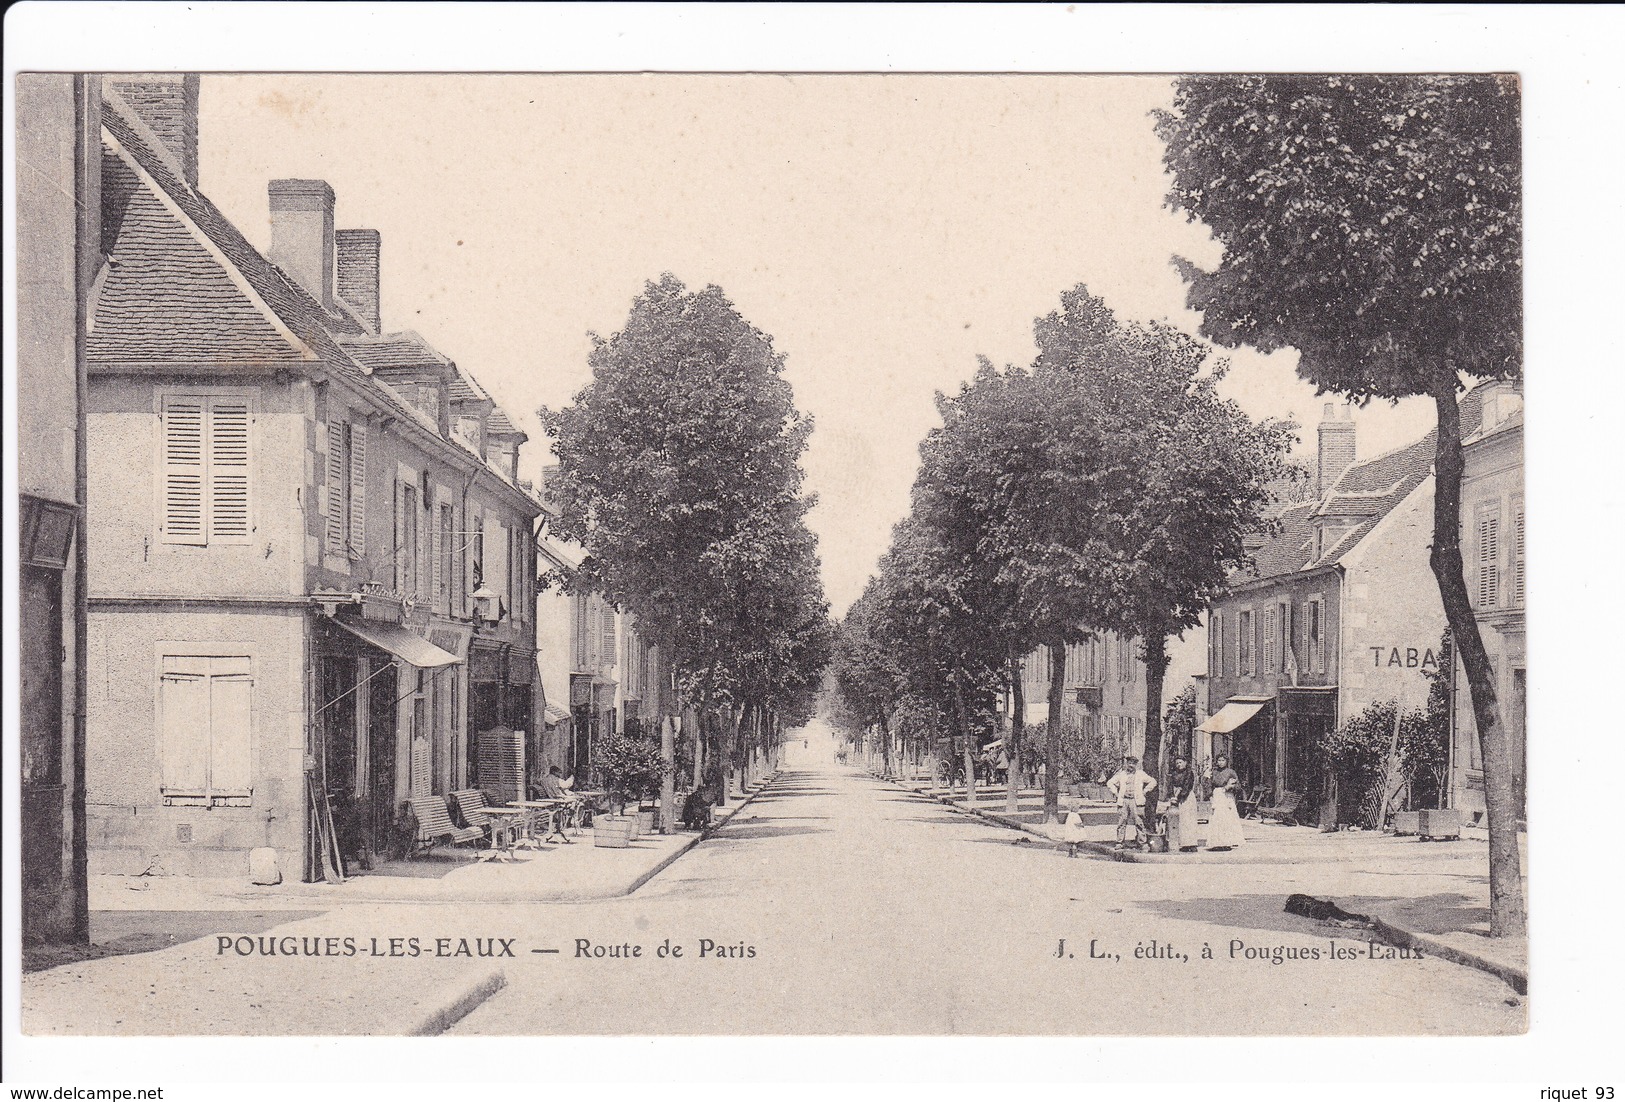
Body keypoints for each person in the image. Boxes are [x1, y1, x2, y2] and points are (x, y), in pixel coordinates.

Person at [1107, 754, 1157, 847]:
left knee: (1139, 822)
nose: (1131, 765)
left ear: (1136, 765)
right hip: (1124, 801)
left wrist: (1145, 791)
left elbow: (1153, 781)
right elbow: (1110, 783)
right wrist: (1116, 793)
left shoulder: (1140, 774)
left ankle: (1142, 843)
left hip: (1136, 801)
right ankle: (1119, 842)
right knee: (1122, 822)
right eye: (1129, 763)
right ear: (1126, 764)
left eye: (1133, 764)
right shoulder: (1122, 774)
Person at [1204, 753, 1246, 850]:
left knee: (1227, 817)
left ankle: (1228, 841)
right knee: (1217, 817)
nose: (1221, 762)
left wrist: (1230, 787)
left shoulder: (1231, 772)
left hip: (1227, 796)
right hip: (1217, 795)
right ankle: (1217, 841)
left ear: (1226, 761)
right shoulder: (1213, 772)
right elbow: (1209, 785)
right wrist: (1210, 796)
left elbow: (1238, 786)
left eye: (1223, 760)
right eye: (1219, 760)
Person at [1165, 756, 1201, 852]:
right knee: (1180, 821)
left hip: (1186, 798)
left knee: (1189, 820)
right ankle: (1183, 843)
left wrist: (1179, 796)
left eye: (1180, 762)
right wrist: (1172, 796)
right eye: (1177, 763)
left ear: (1185, 763)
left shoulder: (1189, 773)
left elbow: (1187, 786)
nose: (1179, 765)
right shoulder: (1174, 774)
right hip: (1176, 798)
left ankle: (1191, 843)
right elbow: (1170, 785)